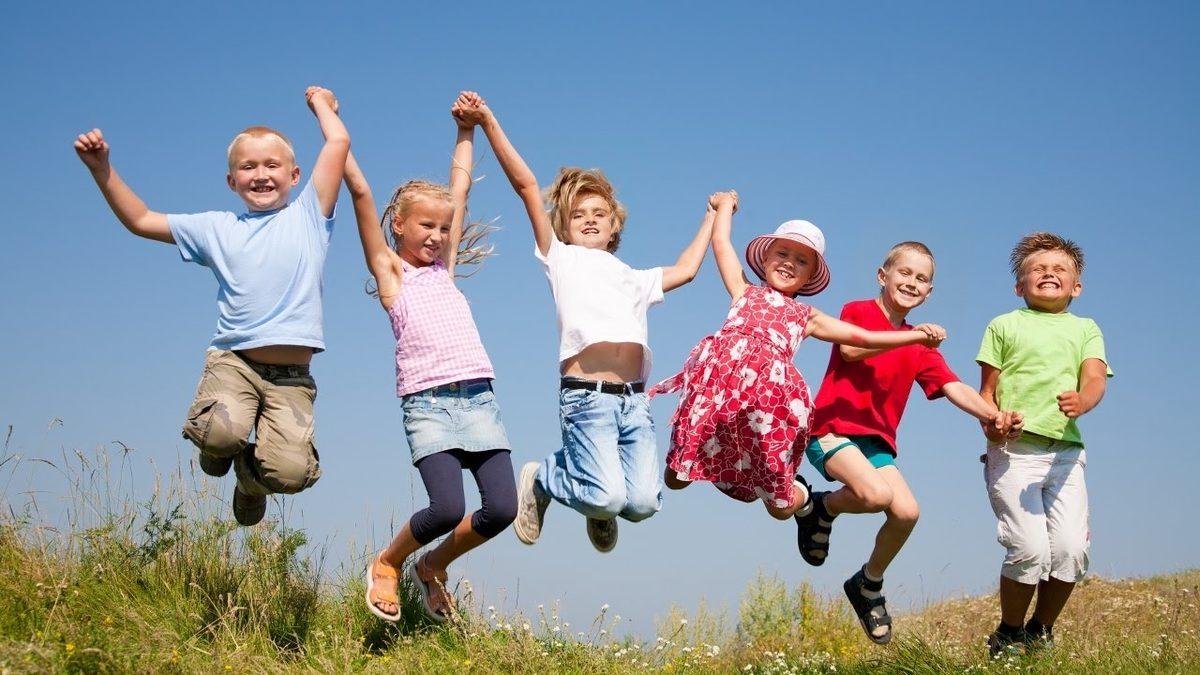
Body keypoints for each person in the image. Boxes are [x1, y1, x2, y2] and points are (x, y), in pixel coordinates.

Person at [73, 87, 350, 526]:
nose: (260, 174)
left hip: (291, 380)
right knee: (220, 434)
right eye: (248, 167)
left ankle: (249, 482)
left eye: (272, 165)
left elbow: (337, 144)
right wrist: (102, 170)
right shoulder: (217, 229)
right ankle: (221, 445)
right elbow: (142, 220)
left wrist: (321, 105)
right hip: (235, 363)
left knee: (292, 473)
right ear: (231, 181)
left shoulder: (309, 216)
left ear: (295, 175)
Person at [458, 94, 714, 553]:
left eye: (600, 214)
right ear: (564, 226)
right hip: (587, 401)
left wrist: (715, 216)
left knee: (642, 504)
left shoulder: (634, 278)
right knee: (608, 495)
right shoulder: (560, 259)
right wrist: (488, 121)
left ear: (616, 226)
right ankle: (546, 480)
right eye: (579, 215)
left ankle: (599, 501)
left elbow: (689, 268)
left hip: (634, 405)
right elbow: (525, 185)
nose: (590, 220)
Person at [651, 200, 946, 546]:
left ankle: (805, 499)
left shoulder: (807, 315)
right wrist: (723, 209)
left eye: (802, 260)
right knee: (675, 478)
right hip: (718, 400)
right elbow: (721, 246)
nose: (790, 263)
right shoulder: (743, 291)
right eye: (782, 253)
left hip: (765, 412)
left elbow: (863, 338)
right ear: (765, 259)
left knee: (780, 508)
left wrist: (915, 334)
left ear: (809, 277)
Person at [795, 241, 1022, 644]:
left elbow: (954, 387)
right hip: (832, 430)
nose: (911, 282)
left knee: (906, 512)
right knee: (876, 494)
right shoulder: (859, 311)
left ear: (929, 292)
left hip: (876, 444)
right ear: (883, 276)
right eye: (904, 273)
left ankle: (868, 583)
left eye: (922, 279)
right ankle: (820, 507)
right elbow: (850, 348)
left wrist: (994, 415)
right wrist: (913, 337)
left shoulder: (919, 344)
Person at [352, 92, 517, 623]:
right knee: (446, 508)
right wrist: (336, 136)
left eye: (443, 228)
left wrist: (466, 130)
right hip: (428, 403)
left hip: (479, 400)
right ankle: (388, 563)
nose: (437, 235)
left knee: (503, 510)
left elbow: (460, 187)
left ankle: (433, 567)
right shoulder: (393, 278)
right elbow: (359, 193)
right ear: (398, 225)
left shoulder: (443, 271)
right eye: (425, 226)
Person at [978, 232, 1111, 657]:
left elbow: (1093, 378)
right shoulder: (1004, 324)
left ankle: (1040, 630)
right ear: (1019, 286)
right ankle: (1009, 633)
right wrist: (993, 424)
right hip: (1014, 452)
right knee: (1028, 548)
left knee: (1071, 550)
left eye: (1060, 269)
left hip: (1067, 454)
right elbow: (986, 393)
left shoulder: (1086, 329)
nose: (1048, 273)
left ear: (1077, 287)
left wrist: (1083, 401)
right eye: (1037, 268)